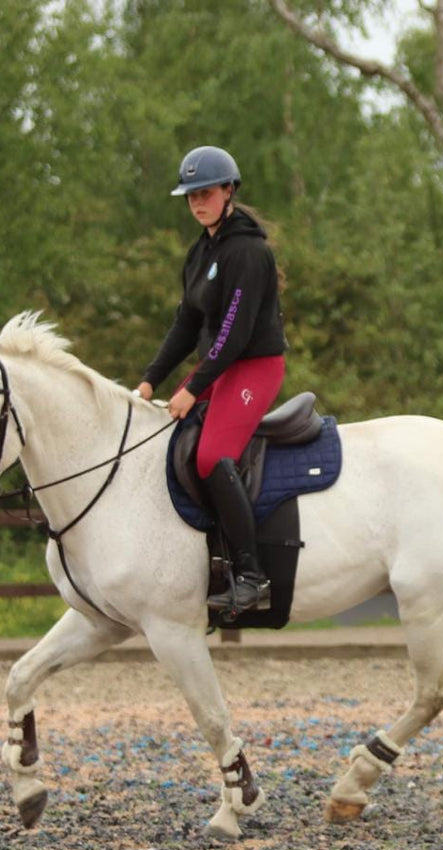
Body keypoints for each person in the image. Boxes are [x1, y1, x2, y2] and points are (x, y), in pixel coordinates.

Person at [137, 145, 287, 615]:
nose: (197, 203)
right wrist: (149, 381)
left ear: (229, 191)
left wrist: (191, 389)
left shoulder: (248, 252)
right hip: (220, 365)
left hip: (254, 366)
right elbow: (186, 325)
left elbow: (234, 334)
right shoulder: (200, 252)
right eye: (190, 196)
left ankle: (252, 577)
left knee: (209, 456)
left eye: (205, 193)